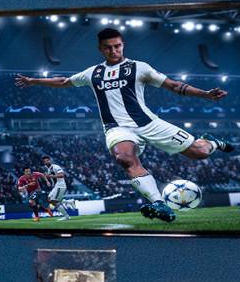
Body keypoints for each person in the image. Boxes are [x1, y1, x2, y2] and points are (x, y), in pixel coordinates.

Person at [16, 23, 228, 221]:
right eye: (108, 47)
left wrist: (204, 94)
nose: (113, 50)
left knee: (200, 152)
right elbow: (63, 81)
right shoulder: (93, 72)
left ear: (122, 45)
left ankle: (211, 141)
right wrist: (33, 80)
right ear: (100, 48)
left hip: (149, 123)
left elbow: (173, 85)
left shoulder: (139, 67)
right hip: (116, 128)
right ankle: (158, 203)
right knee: (124, 158)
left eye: (117, 46)